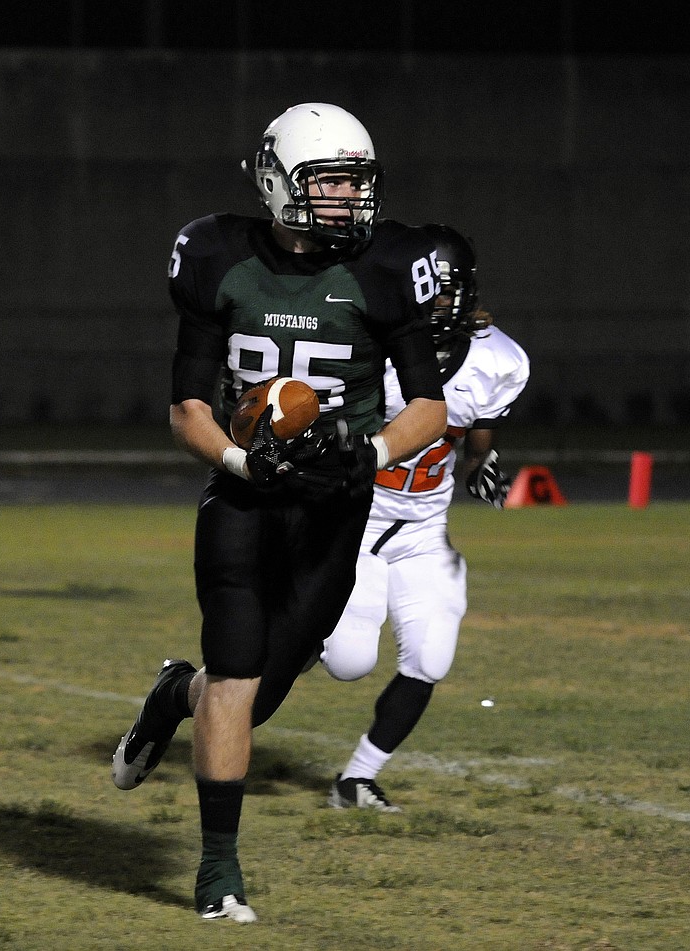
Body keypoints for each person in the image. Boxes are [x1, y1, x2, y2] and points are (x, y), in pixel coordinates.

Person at [111, 103, 447, 923]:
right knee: (233, 675)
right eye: (329, 182)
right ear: (277, 181)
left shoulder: (387, 264)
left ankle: (170, 696)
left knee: (253, 698)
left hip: (337, 503)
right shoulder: (218, 254)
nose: (346, 200)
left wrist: (366, 453)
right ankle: (220, 873)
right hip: (243, 494)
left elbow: (429, 409)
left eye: (354, 184)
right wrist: (237, 458)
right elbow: (186, 405)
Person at [320, 224, 530, 812]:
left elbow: (474, 440)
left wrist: (483, 465)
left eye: (444, 291)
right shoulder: (368, 350)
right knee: (350, 663)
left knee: (430, 658)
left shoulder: (498, 361)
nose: (436, 303)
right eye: (425, 290)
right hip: (356, 521)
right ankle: (286, 633)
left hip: (423, 528)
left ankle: (357, 780)